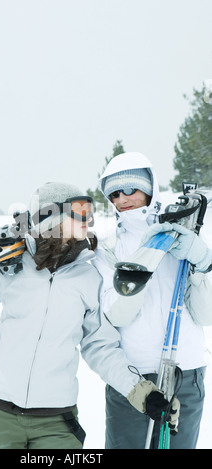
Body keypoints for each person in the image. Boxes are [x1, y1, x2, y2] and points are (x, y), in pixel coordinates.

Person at [0, 181, 179, 450]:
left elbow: (100, 347)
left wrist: (142, 393)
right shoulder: (10, 266)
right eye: (80, 210)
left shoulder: (89, 276)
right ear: (52, 216)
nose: (89, 219)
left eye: (90, 210)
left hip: (56, 421)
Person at [94, 151, 212, 449]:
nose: (122, 199)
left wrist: (201, 262)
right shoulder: (109, 247)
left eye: (130, 189)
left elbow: (206, 314)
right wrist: (144, 260)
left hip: (186, 371)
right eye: (114, 194)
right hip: (132, 378)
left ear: (149, 186)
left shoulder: (180, 234)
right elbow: (117, 315)